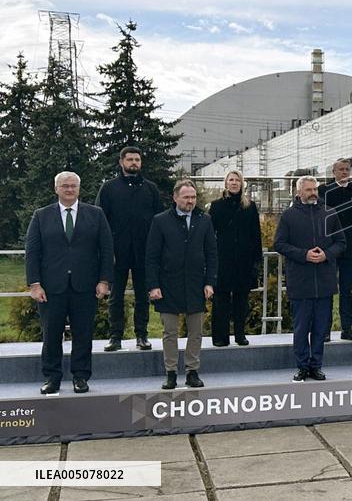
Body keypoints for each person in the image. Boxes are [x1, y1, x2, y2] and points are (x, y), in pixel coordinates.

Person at [25, 172, 113, 395]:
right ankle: (52, 378)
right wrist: (34, 285)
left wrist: (104, 281)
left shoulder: (96, 214)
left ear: (79, 189)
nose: (69, 189)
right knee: (51, 335)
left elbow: (107, 250)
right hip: (51, 288)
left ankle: (81, 377)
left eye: (73, 186)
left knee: (83, 334)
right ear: (56, 189)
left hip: (86, 287)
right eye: (65, 186)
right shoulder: (41, 216)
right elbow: (32, 252)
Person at [146, 180, 218, 389]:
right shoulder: (160, 221)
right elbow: (152, 256)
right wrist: (153, 285)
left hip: (196, 284)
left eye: (193, 197)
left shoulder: (204, 220)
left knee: (196, 331)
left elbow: (212, 254)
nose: (190, 201)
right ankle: (170, 373)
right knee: (170, 332)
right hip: (168, 284)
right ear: (175, 197)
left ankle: (192, 372)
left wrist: (210, 282)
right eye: (186, 197)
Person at [274, 176, 346, 382]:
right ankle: (302, 366)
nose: (313, 193)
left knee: (320, 328)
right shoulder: (288, 216)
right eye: (308, 190)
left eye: (315, 189)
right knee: (301, 328)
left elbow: (341, 242)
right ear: (299, 192)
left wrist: (327, 254)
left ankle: (317, 366)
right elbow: (279, 244)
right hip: (301, 281)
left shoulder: (330, 213)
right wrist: (304, 254)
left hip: (324, 280)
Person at [96, 146, 162, 352]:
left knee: (143, 295)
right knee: (116, 296)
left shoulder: (150, 189)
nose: (134, 163)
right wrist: (106, 251)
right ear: (121, 162)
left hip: (144, 252)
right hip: (117, 252)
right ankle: (115, 337)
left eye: (137, 160)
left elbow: (159, 221)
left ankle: (142, 336)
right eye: (130, 159)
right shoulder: (108, 188)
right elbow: (100, 222)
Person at [208, 170, 262, 347]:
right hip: (223, 260)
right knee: (221, 300)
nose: (234, 183)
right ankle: (220, 337)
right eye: (231, 180)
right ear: (225, 183)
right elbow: (210, 235)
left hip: (244, 261)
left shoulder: (250, 206)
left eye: (237, 180)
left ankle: (240, 334)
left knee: (241, 301)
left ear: (242, 183)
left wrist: (256, 261)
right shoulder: (216, 206)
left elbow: (256, 235)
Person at [318, 159, 352, 342]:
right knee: (328, 290)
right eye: (341, 169)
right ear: (333, 171)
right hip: (329, 248)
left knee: (346, 290)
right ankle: (325, 330)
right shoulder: (323, 190)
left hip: (350, 247)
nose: (344, 172)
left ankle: (347, 329)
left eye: (347, 169)